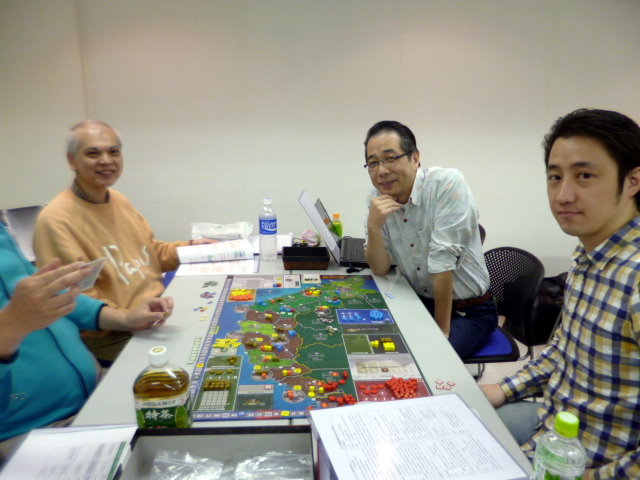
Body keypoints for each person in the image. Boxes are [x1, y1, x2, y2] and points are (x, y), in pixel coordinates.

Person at [481, 108, 640, 479]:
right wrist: (502, 389)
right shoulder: (589, 256)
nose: (563, 195)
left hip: (592, 466)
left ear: (633, 180)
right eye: (555, 177)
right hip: (551, 435)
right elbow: (565, 351)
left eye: (584, 175)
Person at [34, 120, 214, 364]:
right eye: (93, 153)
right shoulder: (56, 220)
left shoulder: (118, 200)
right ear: (72, 160)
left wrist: (193, 249)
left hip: (157, 316)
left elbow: (152, 253)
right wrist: (128, 318)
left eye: (114, 151)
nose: (106, 160)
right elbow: (74, 299)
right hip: (116, 337)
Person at [0, 221, 173, 463]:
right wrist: (11, 325)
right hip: (32, 431)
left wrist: (125, 317)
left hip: (94, 390)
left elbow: (52, 296)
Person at [363, 120, 497, 359]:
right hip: (418, 301)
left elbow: (441, 264)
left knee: (426, 359)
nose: (381, 171)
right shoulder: (377, 197)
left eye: (390, 158)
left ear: (415, 158)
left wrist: (441, 332)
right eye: (373, 163)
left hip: (468, 311)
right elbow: (380, 268)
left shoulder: (446, 184)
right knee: (371, 343)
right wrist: (373, 227)